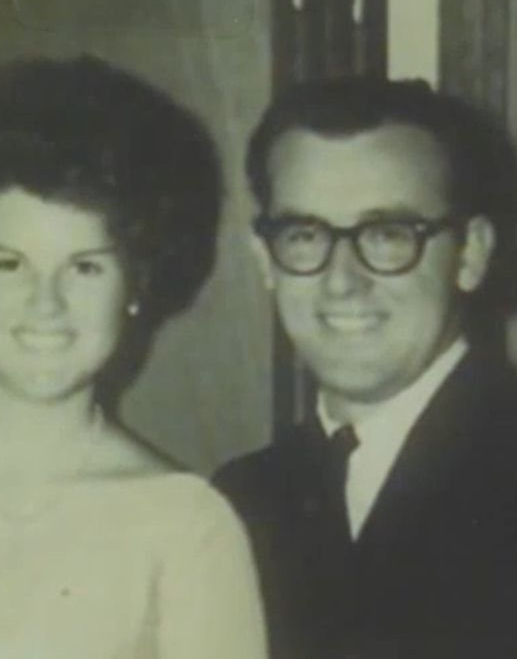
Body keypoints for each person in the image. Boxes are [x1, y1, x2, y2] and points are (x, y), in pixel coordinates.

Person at [0, 54, 268, 658]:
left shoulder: (188, 524)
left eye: (86, 266)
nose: (46, 304)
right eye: (9, 263)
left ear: (134, 287)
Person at [213, 77, 517, 659]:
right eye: (305, 235)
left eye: (387, 235)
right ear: (266, 261)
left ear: (471, 254)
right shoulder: (242, 500)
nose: (343, 281)